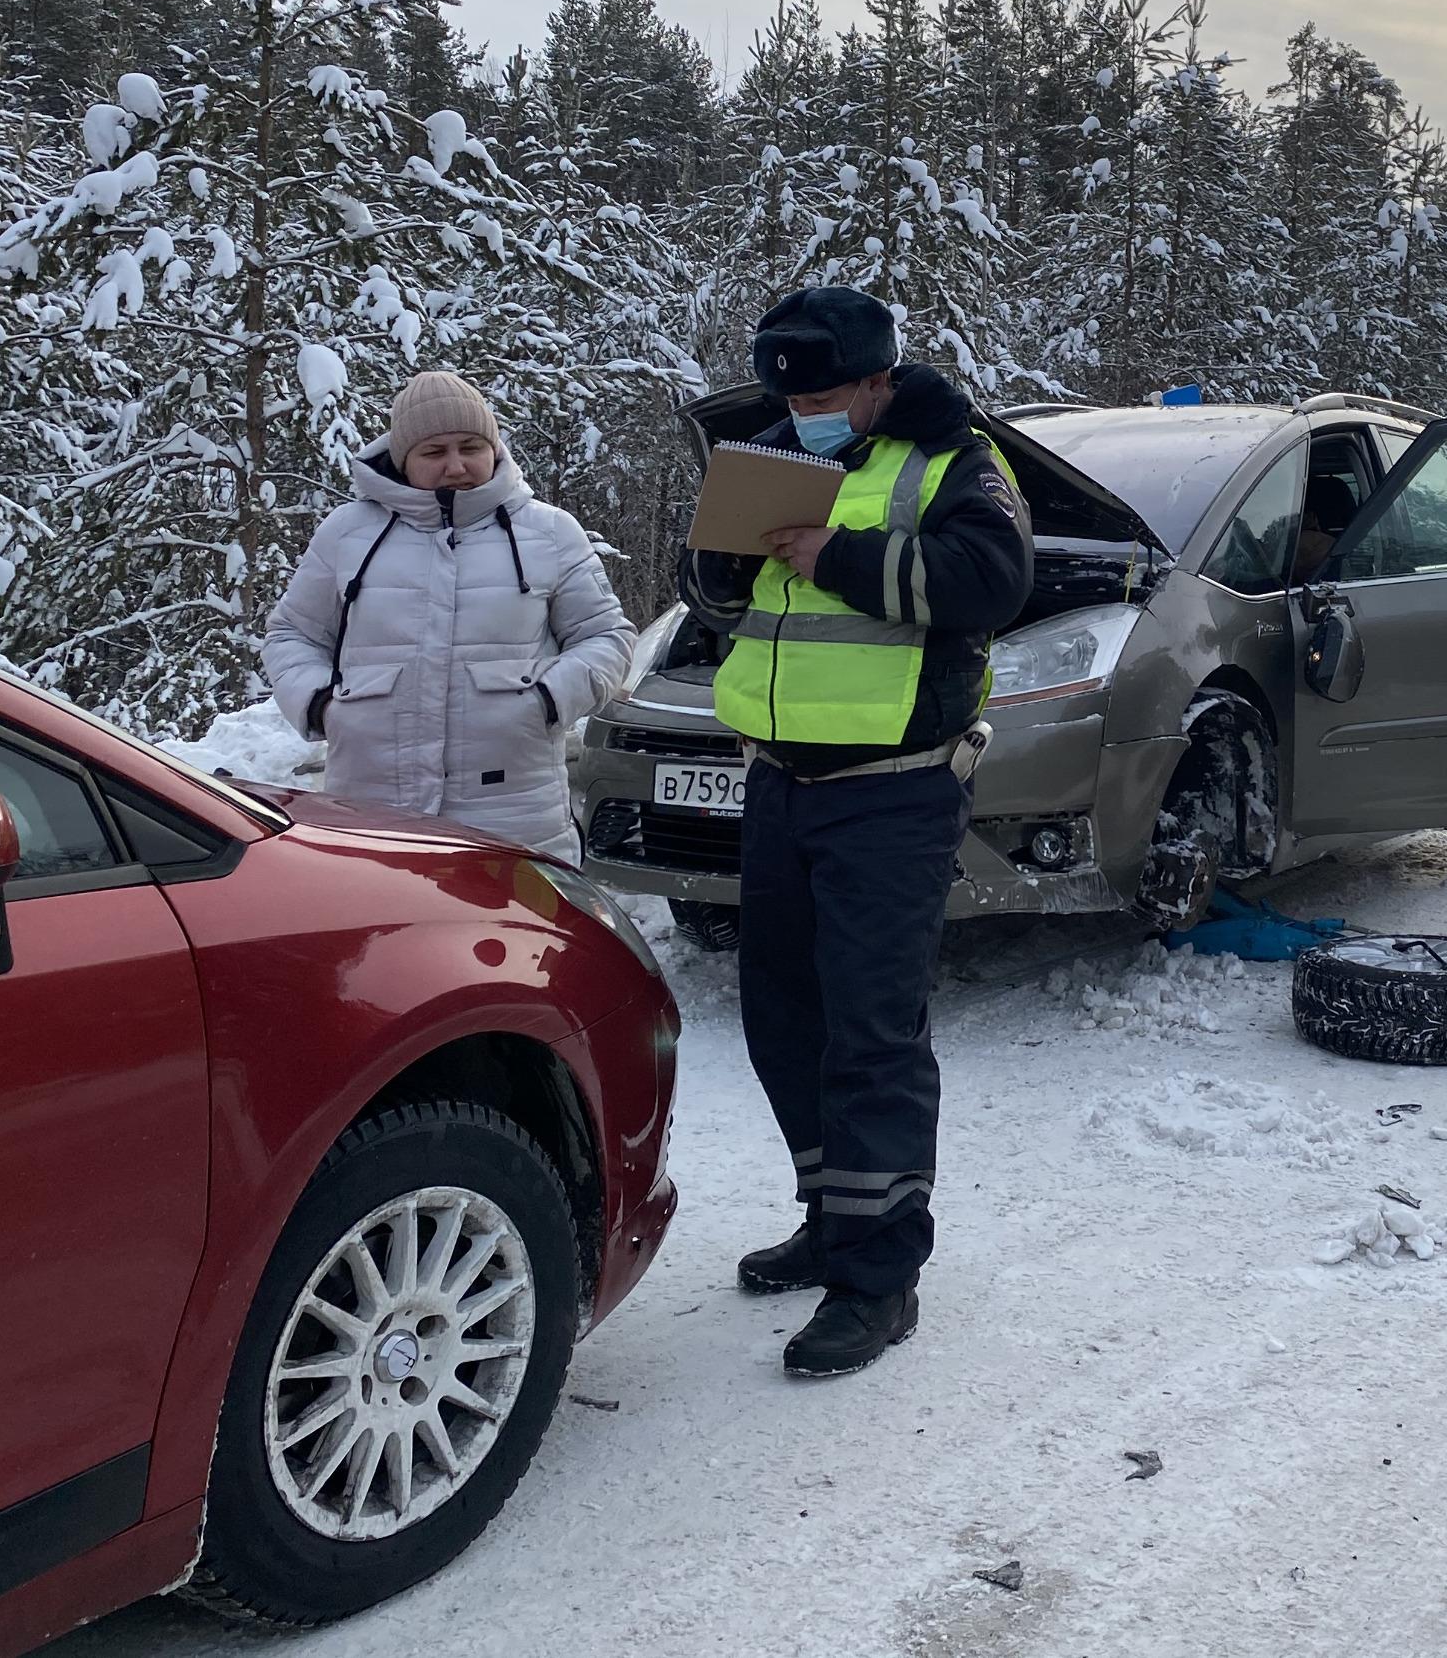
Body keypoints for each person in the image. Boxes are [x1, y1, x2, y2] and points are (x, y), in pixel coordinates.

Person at [685, 286, 1031, 1377]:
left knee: (873, 1040)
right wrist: (727, 562)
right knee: (785, 1020)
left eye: (829, 393)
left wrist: (832, 553)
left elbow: (994, 580)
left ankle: (880, 1282)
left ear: (883, 377)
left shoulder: (953, 463)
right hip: (782, 782)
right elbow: (727, 601)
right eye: (793, 394)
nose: (808, 410)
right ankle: (833, 1218)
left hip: (896, 791)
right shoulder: (783, 454)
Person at [264, 369, 634, 860]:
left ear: (494, 447)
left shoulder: (549, 532)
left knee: (514, 936)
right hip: (372, 809)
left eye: (471, 447)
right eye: (434, 452)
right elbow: (291, 634)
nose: (457, 466)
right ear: (404, 459)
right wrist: (321, 706)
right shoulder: (347, 533)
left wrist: (547, 699)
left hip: (516, 810)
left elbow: (606, 635)